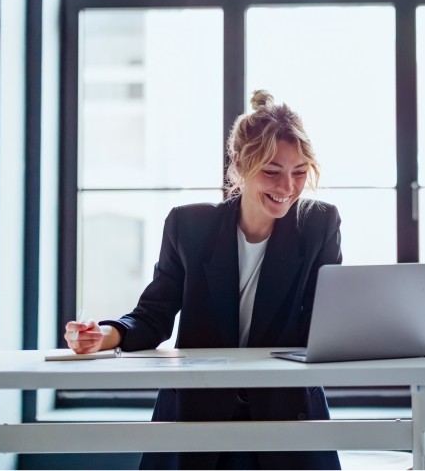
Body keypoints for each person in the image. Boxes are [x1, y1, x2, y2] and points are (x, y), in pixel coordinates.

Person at [63, 90, 342, 470]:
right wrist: (104, 336)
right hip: (199, 410)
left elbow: (328, 321)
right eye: (272, 171)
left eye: (299, 172)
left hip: (287, 410)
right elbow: (153, 315)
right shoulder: (189, 226)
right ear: (241, 163)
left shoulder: (318, 225)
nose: (287, 187)